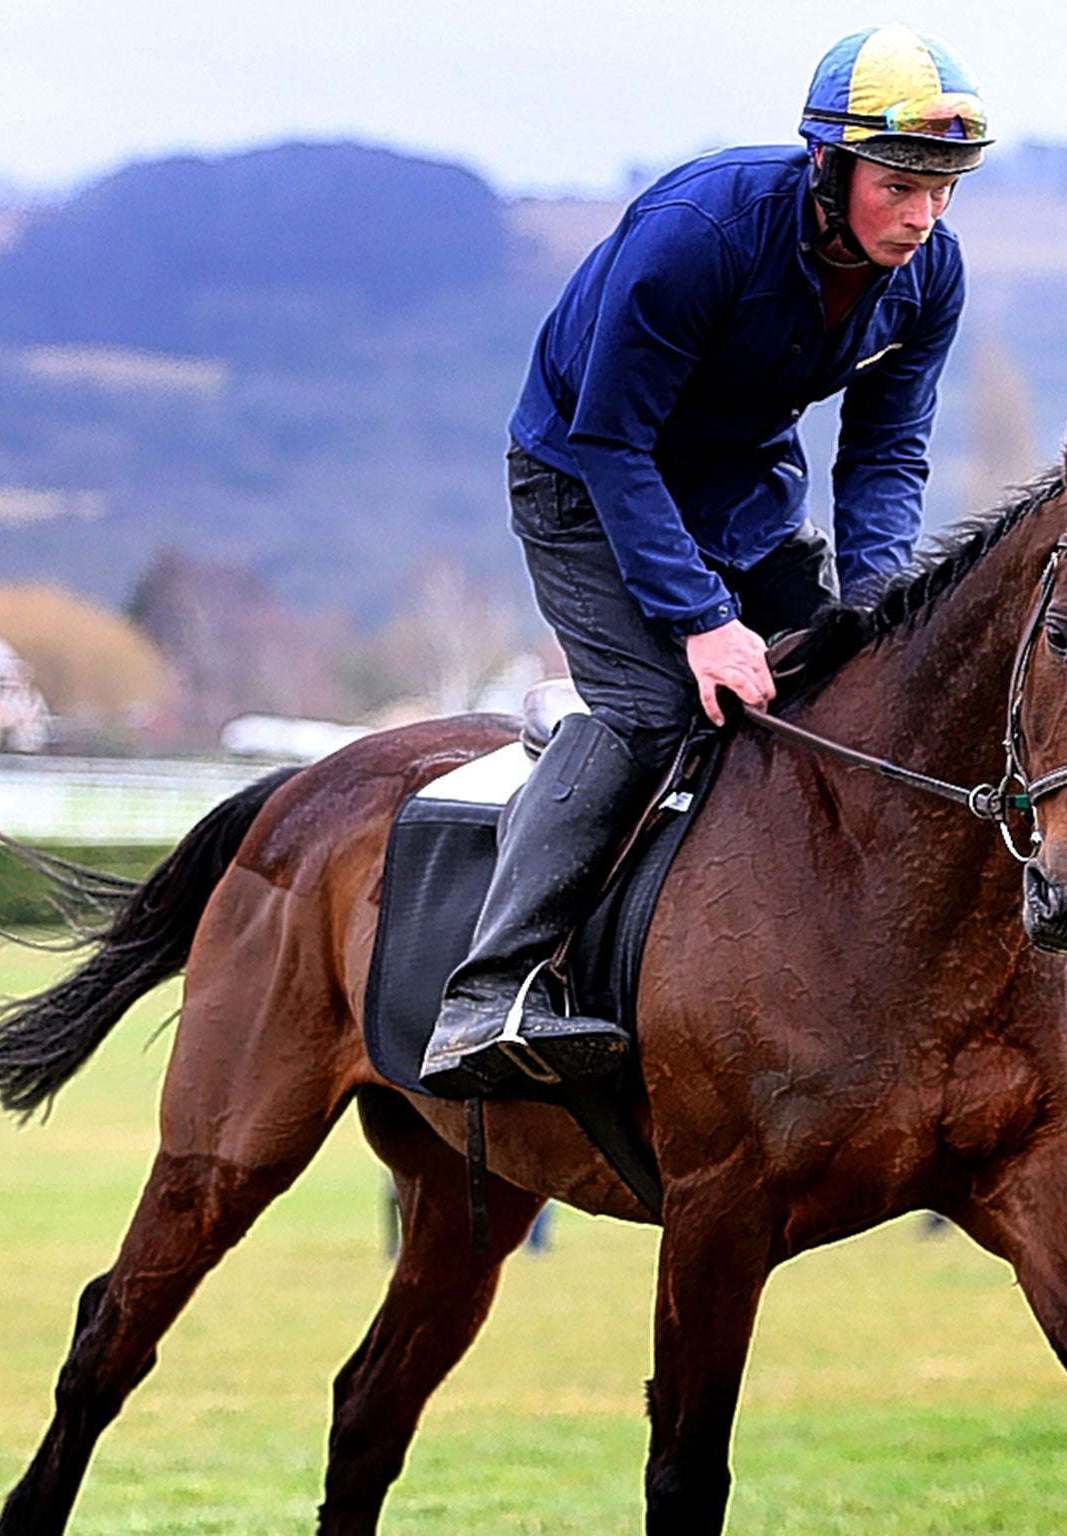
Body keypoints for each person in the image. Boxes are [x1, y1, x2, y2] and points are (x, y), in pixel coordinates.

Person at [422, 25, 986, 1098]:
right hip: (585, 481)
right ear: (826, 164)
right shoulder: (699, 236)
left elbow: (883, 451)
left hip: (739, 497)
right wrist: (699, 623)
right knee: (655, 712)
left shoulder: (930, 276)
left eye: (944, 187)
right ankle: (484, 995)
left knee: (847, 692)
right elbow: (609, 441)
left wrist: (873, 611)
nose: (921, 215)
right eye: (899, 183)